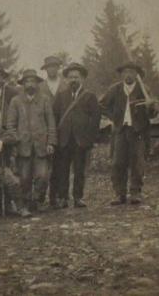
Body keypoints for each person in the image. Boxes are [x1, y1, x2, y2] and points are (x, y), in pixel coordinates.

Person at [100, 61, 158, 206]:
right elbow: (101, 105)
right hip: (120, 130)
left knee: (137, 162)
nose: (128, 74)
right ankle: (119, 194)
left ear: (136, 75)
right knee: (117, 162)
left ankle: (135, 193)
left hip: (138, 131)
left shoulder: (144, 90)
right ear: (122, 74)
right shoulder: (115, 89)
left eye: (131, 72)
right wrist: (113, 116)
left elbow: (152, 114)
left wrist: (150, 107)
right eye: (125, 72)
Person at [6, 69, 57, 216]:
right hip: (23, 146)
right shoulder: (16, 101)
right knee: (24, 177)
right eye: (27, 81)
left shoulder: (45, 99)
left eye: (33, 81)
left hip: (41, 145)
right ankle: (27, 202)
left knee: (42, 175)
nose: (30, 84)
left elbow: (51, 123)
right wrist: (15, 142)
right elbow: (10, 125)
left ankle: (38, 199)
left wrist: (51, 143)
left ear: (37, 83)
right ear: (23, 84)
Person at [52, 63, 101, 209]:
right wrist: (55, 138)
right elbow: (54, 117)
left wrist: (89, 139)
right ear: (66, 79)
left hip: (81, 140)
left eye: (76, 77)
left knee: (79, 170)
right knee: (62, 170)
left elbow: (95, 119)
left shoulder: (90, 96)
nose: (73, 79)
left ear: (82, 79)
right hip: (64, 139)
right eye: (70, 77)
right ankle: (62, 198)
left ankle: (78, 197)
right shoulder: (61, 96)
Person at [40, 55, 70, 208]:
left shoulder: (66, 86)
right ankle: (48, 197)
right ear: (45, 70)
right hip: (45, 131)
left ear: (58, 68)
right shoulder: (41, 87)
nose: (51, 69)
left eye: (54, 66)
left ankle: (63, 196)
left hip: (64, 130)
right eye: (48, 67)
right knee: (46, 165)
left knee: (62, 164)